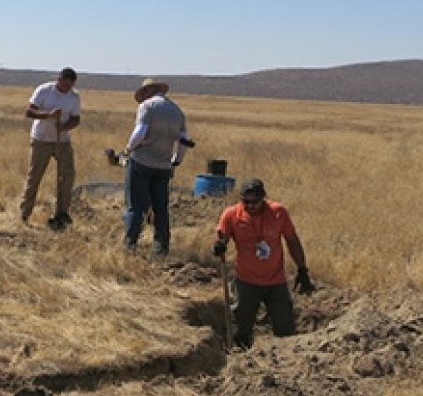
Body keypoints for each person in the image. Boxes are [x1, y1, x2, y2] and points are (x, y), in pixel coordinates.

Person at [212, 178, 315, 350]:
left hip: (276, 283)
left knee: (286, 331)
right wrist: (218, 247)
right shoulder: (231, 215)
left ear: (264, 198)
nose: (250, 206)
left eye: (255, 202)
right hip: (246, 282)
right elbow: (220, 242)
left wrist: (302, 269)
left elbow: (292, 240)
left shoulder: (278, 213)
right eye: (246, 202)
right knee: (241, 330)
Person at [120, 77, 193, 255]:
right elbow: (184, 142)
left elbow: (140, 132)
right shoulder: (177, 111)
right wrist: (175, 161)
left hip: (141, 162)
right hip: (164, 167)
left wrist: (129, 149)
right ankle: (161, 249)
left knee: (135, 207)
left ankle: (130, 246)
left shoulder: (147, 107)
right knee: (161, 208)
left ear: (147, 91)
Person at [19, 67, 82, 229]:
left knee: (66, 176)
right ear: (58, 79)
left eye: (69, 86)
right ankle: (24, 214)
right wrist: (48, 116)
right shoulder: (44, 90)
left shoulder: (74, 96)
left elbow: (76, 119)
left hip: (62, 141)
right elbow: (28, 112)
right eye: (63, 85)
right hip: (41, 139)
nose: (65, 89)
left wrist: (64, 127)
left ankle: (61, 213)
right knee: (35, 176)